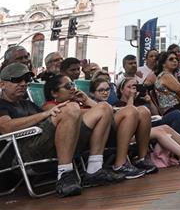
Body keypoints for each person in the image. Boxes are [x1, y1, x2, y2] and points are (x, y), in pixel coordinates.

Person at [0, 63, 124, 196]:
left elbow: (51, 118)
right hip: (23, 153)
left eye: (27, 80)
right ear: (2, 84)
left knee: (103, 108)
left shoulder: (27, 104)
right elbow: (6, 127)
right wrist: (46, 114)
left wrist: (86, 102)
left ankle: (94, 169)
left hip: (50, 145)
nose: (23, 83)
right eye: (17, 80)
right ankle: (65, 175)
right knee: (71, 108)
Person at [117, 77, 180, 167]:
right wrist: (131, 98)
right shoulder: (117, 104)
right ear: (121, 90)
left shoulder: (139, 101)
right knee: (172, 119)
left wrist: (150, 102)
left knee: (168, 127)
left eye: (135, 87)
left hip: (148, 126)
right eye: (129, 87)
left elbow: (155, 114)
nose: (133, 90)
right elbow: (130, 114)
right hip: (131, 134)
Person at [89, 77, 158, 175]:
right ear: (92, 93)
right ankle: (120, 164)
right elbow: (130, 110)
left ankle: (142, 158)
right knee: (131, 111)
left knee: (144, 111)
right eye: (101, 90)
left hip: (118, 130)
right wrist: (130, 98)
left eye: (107, 90)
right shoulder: (88, 104)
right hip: (101, 135)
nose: (105, 93)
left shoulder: (111, 105)